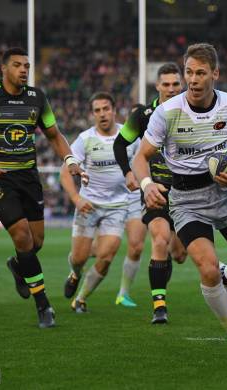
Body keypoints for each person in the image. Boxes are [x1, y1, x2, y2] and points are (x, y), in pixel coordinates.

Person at [133, 43, 227, 359]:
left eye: (200, 73)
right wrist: (146, 183)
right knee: (207, 269)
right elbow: (141, 156)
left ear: (215, 74)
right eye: (188, 72)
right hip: (186, 200)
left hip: (226, 194)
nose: (192, 80)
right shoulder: (166, 113)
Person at [0, 47, 86, 328]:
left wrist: (71, 158)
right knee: (23, 238)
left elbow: (54, 134)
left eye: (27, 65)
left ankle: (17, 265)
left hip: (29, 178)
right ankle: (44, 306)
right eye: (17, 65)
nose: (24, 70)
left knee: (36, 243)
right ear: (4, 69)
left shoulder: (37, 98)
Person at [113, 63, 187, 324]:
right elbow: (120, 143)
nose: (170, 89)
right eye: (165, 84)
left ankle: (164, 258)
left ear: (182, 85)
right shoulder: (145, 114)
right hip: (155, 190)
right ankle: (159, 306)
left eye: (175, 84)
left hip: (187, 194)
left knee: (179, 255)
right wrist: (129, 173)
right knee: (159, 239)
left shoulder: (193, 111)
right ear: (157, 86)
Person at [60, 92, 144, 313]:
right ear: (92, 114)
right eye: (97, 110)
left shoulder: (130, 136)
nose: (102, 114)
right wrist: (76, 199)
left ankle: (80, 299)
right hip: (88, 205)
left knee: (106, 257)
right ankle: (75, 273)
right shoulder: (85, 139)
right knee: (79, 257)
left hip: (118, 206)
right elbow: (65, 173)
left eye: (106, 108)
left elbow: (143, 160)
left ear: (114, 110)